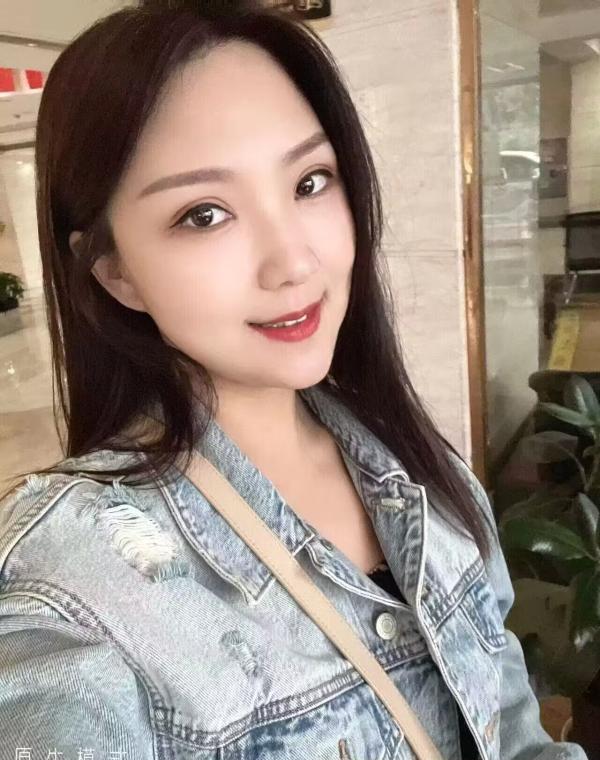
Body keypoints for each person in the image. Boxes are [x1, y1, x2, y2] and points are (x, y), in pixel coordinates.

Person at [0, 2, 588, 759]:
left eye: (311, 181)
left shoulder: (414, 466)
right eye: (204, 214)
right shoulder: (75, 583)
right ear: (115, 271)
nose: (294, 262)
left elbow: (513, 731)